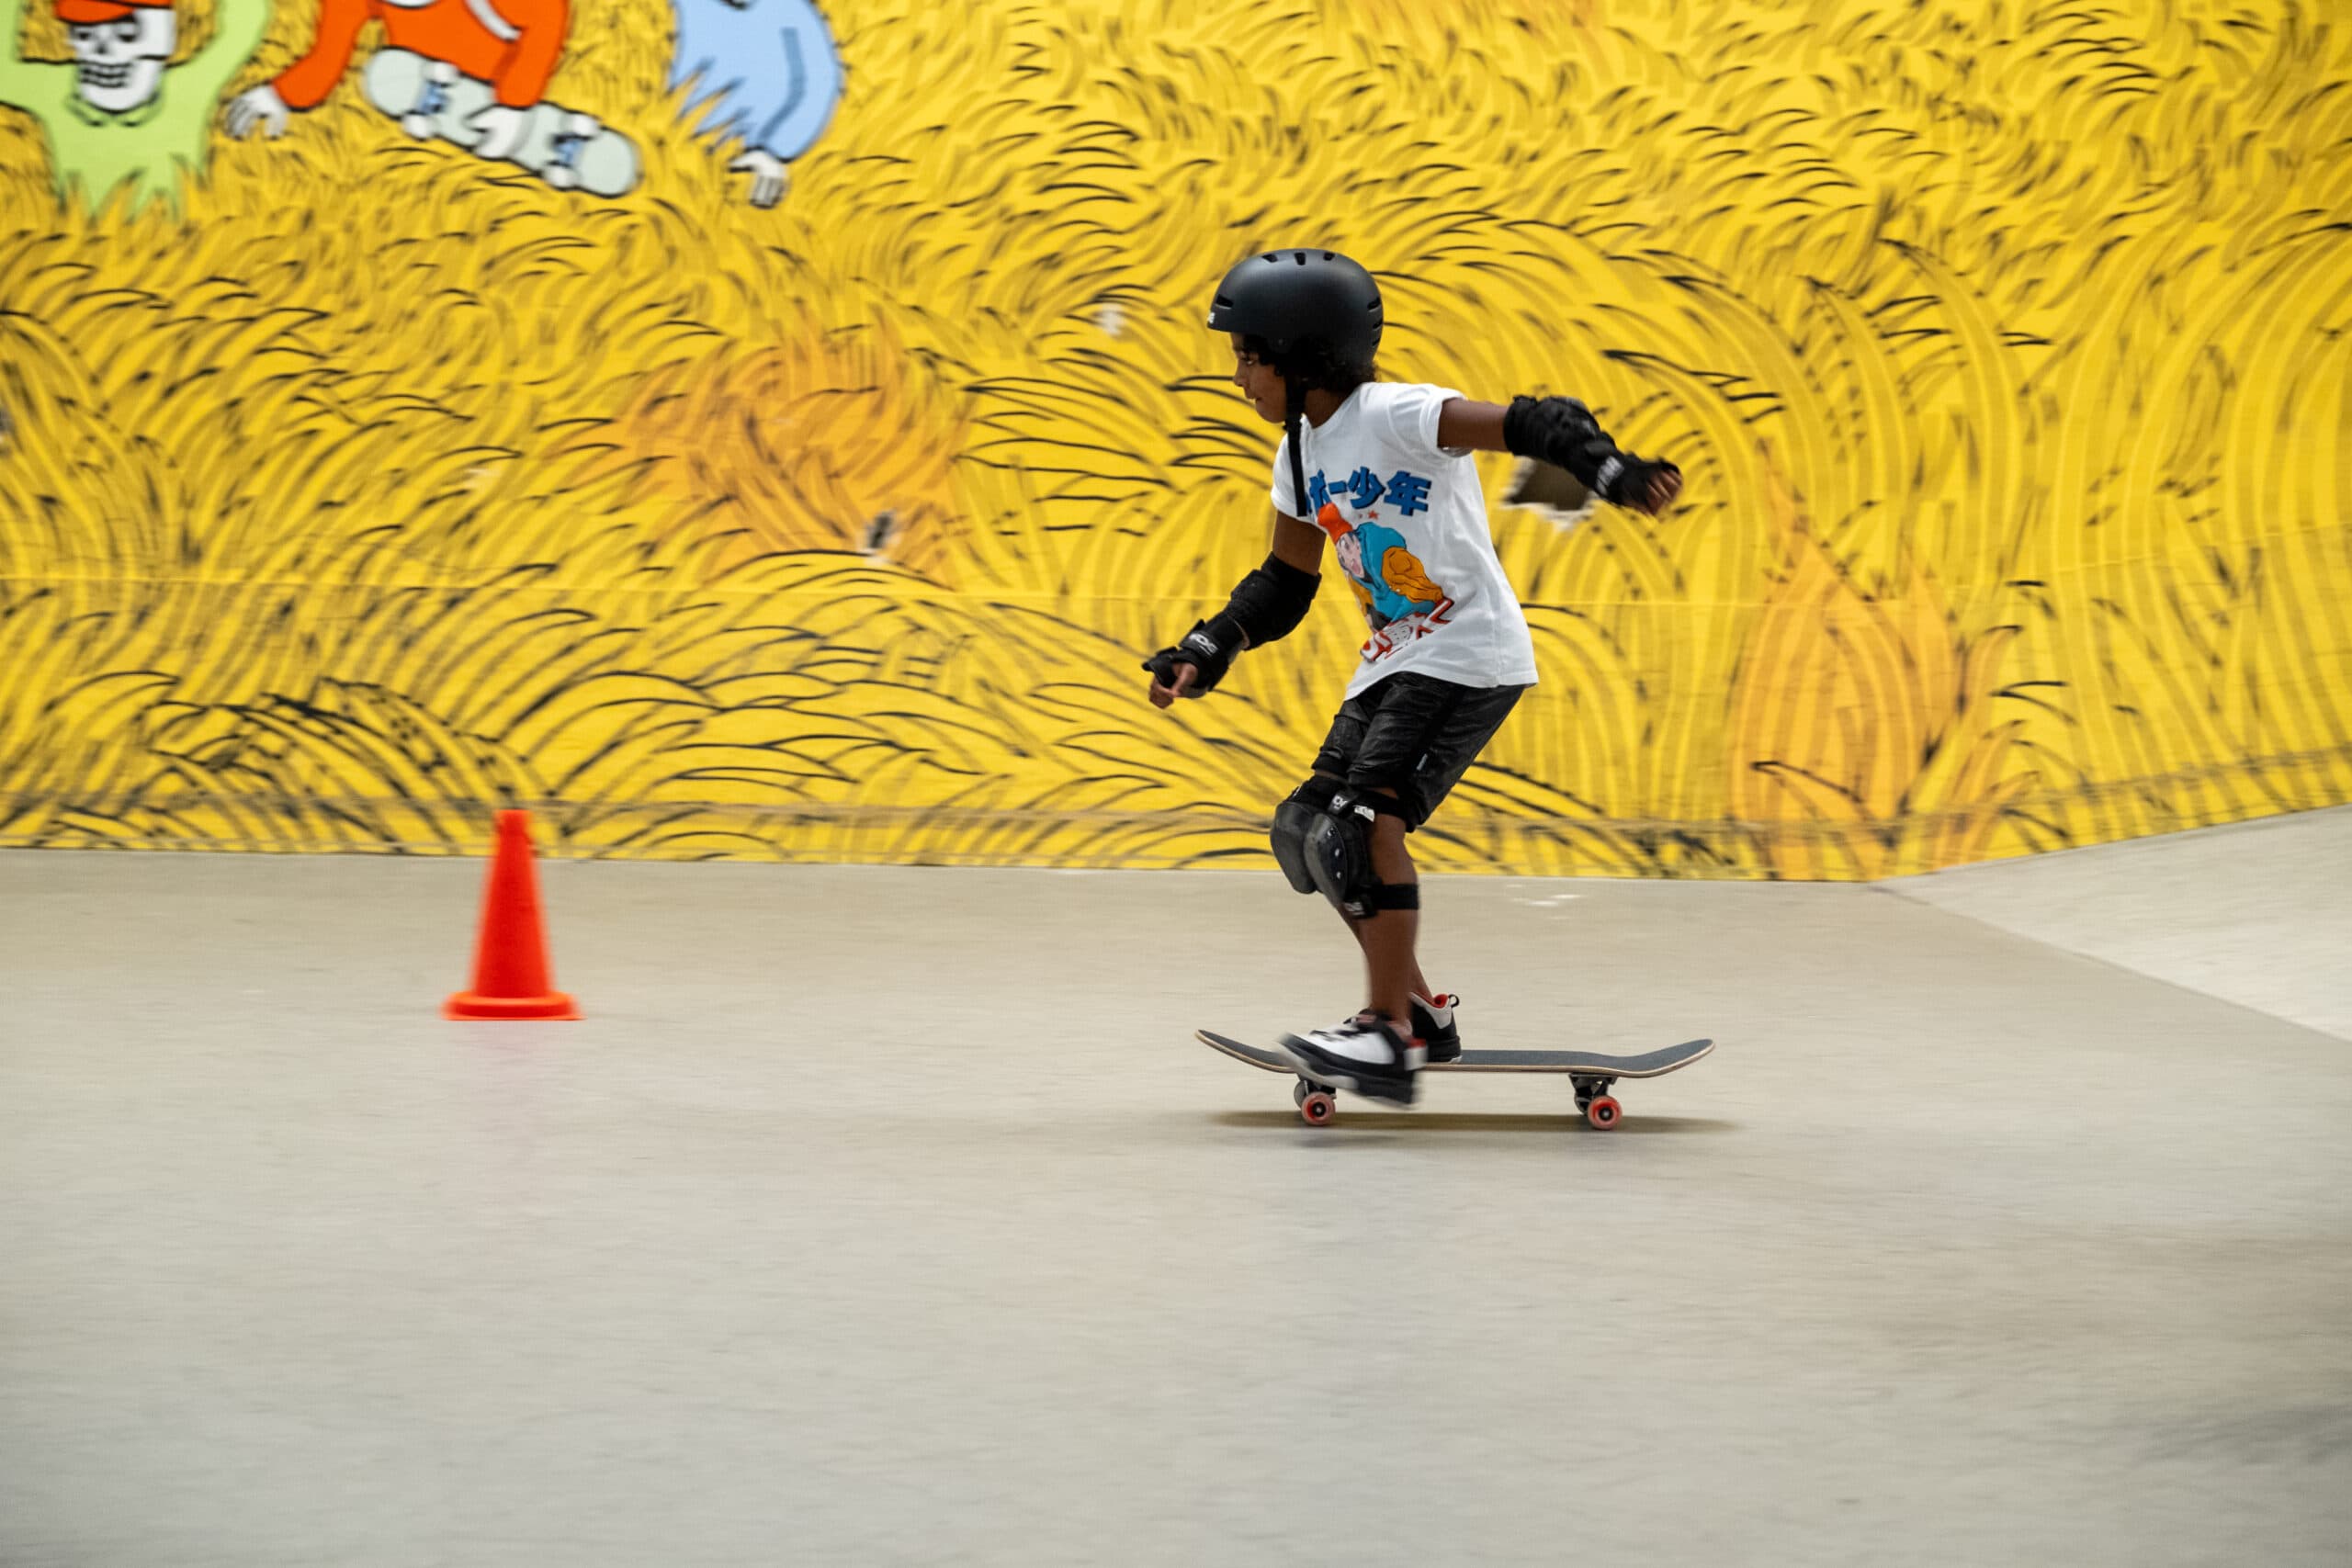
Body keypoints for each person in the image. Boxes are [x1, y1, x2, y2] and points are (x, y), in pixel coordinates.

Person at [1143, 247, 1684, 1105]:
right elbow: (1285, 583)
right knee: (1309, 831)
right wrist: (1207, 647)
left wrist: (1610, 469)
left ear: (1302, 357)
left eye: (1248, 357)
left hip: (1467, 652)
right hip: (1395, 657)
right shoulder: (1299, 455)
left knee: (1365, 824)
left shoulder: (1397, 414)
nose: (1238, 376)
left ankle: (1387, 1035)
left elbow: (1533, 422)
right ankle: (1421, 1014)